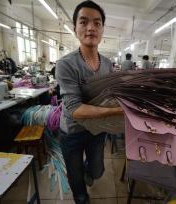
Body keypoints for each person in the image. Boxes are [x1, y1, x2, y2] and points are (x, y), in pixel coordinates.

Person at [55, 1, 123, 203]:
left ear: (102, 29)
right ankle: (81, 198)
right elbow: (75, 109)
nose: (91, 27)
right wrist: (116, 111)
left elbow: (110, 94)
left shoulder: (108, 64)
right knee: (77, 180)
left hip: (97, 130)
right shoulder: (66, 64)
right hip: (72, 131)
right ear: (75, 28)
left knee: (97, 169)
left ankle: (88, 169)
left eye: (97, 23)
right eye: (83, 22)